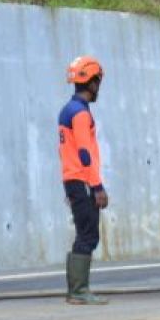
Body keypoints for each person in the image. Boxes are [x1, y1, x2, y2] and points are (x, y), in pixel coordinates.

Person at [59, 55, 110, 305]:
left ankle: (76, 290)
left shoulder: (69, 110)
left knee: (84, 232)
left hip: (74, 180)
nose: (98, 86)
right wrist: (97, 187)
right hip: (82, 180)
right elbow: (84, 153)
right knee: (88, 234)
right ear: (90, 82)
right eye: (97, 81)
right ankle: (78, 291)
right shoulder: (79, 113)